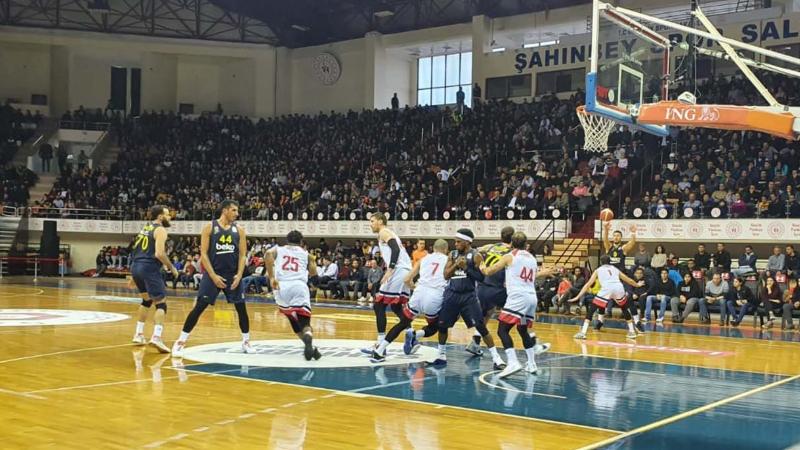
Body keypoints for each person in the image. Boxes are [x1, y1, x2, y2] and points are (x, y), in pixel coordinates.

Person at [172, 200, 253, 357]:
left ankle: (246, 341)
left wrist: (239, 275)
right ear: (225, 211)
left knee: (241, 309)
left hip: (233, 276)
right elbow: (203, 254)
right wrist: (213, 276)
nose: (237, 213)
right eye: (234, 210)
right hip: (212, 274)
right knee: (199, 307)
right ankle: (181, 341)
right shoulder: (210, 227)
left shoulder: (240, 230)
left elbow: (243, 255)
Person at [481, 232, 558, 378]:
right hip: (531, 298)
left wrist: (482, 266)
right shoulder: (532, 258)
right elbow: (530, 276)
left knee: (502, 330)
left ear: (511, 243)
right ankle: (531, 364)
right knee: (522, 330)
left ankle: (513, 362)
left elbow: (490, 271)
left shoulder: (510, 256)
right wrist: (544, 272)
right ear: (525, 244)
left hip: (518, 298)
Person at [370, 239, 449, 362]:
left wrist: (415, 287)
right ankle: (417, 335)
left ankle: (379, 351)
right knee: (435, 326)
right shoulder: (448, 260)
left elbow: (407, 279)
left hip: (419, 293)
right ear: (446, 250)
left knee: (403, 323)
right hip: (434, 296)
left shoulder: (424, 259)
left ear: (433, 248)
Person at [432, 229, 501, 367]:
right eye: (455, 241)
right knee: (442, 325)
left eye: (458, 242)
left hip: (468, 296)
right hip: (452, 294)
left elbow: (482, 278)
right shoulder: (452, 254)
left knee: (481, 326)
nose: (455, 244)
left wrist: (466, 268)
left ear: (467, 242)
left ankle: (496, 358)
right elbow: (445, 275)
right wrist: (456, 265)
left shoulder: (476, 256)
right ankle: (441, 354)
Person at [129, 205, 179, 353]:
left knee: (146, 300)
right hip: (149, 267)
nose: (170, 217)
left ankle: (138, 334)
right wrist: (171, 267)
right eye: (167, 215)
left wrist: (134, 274)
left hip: (136, 265)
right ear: (160, 217)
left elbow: (135, 250)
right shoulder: (160, 229)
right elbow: (159, 254)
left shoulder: (146, 228)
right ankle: (156, 337)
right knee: (161, 303)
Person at [266, 230, 322, 361]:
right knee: (305, 321)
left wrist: (271, 277)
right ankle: (308, 336)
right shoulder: (307, 255)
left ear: (287, 240)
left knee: (292, 318)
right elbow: (314, 275)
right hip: (299, 286)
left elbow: (268, 254)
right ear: (301, 242)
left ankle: (310, 347)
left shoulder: (278, 249)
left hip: (281, 286)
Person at [364, 212, 412, 353]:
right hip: (404, 270)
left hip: (398, 270)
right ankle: (411, 334)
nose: (370, 224)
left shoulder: (384, 232)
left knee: (378, 305)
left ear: (380, 221)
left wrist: (390, 269)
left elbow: (395, 249)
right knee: (397, 307)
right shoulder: (387, 233)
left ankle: (380, 344)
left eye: (372, 221)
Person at [570, 255, 645, 340]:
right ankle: (632, 331)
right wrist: (637, 285)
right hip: (618, 288)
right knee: (624, 308)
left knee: (592, 309)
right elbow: (629, 280)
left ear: (601, 262)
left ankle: (583, 332)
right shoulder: (615, 269)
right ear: (610, 261)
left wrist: (577, 296)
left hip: (607, 288)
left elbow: (588, 285)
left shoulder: (598, 270)